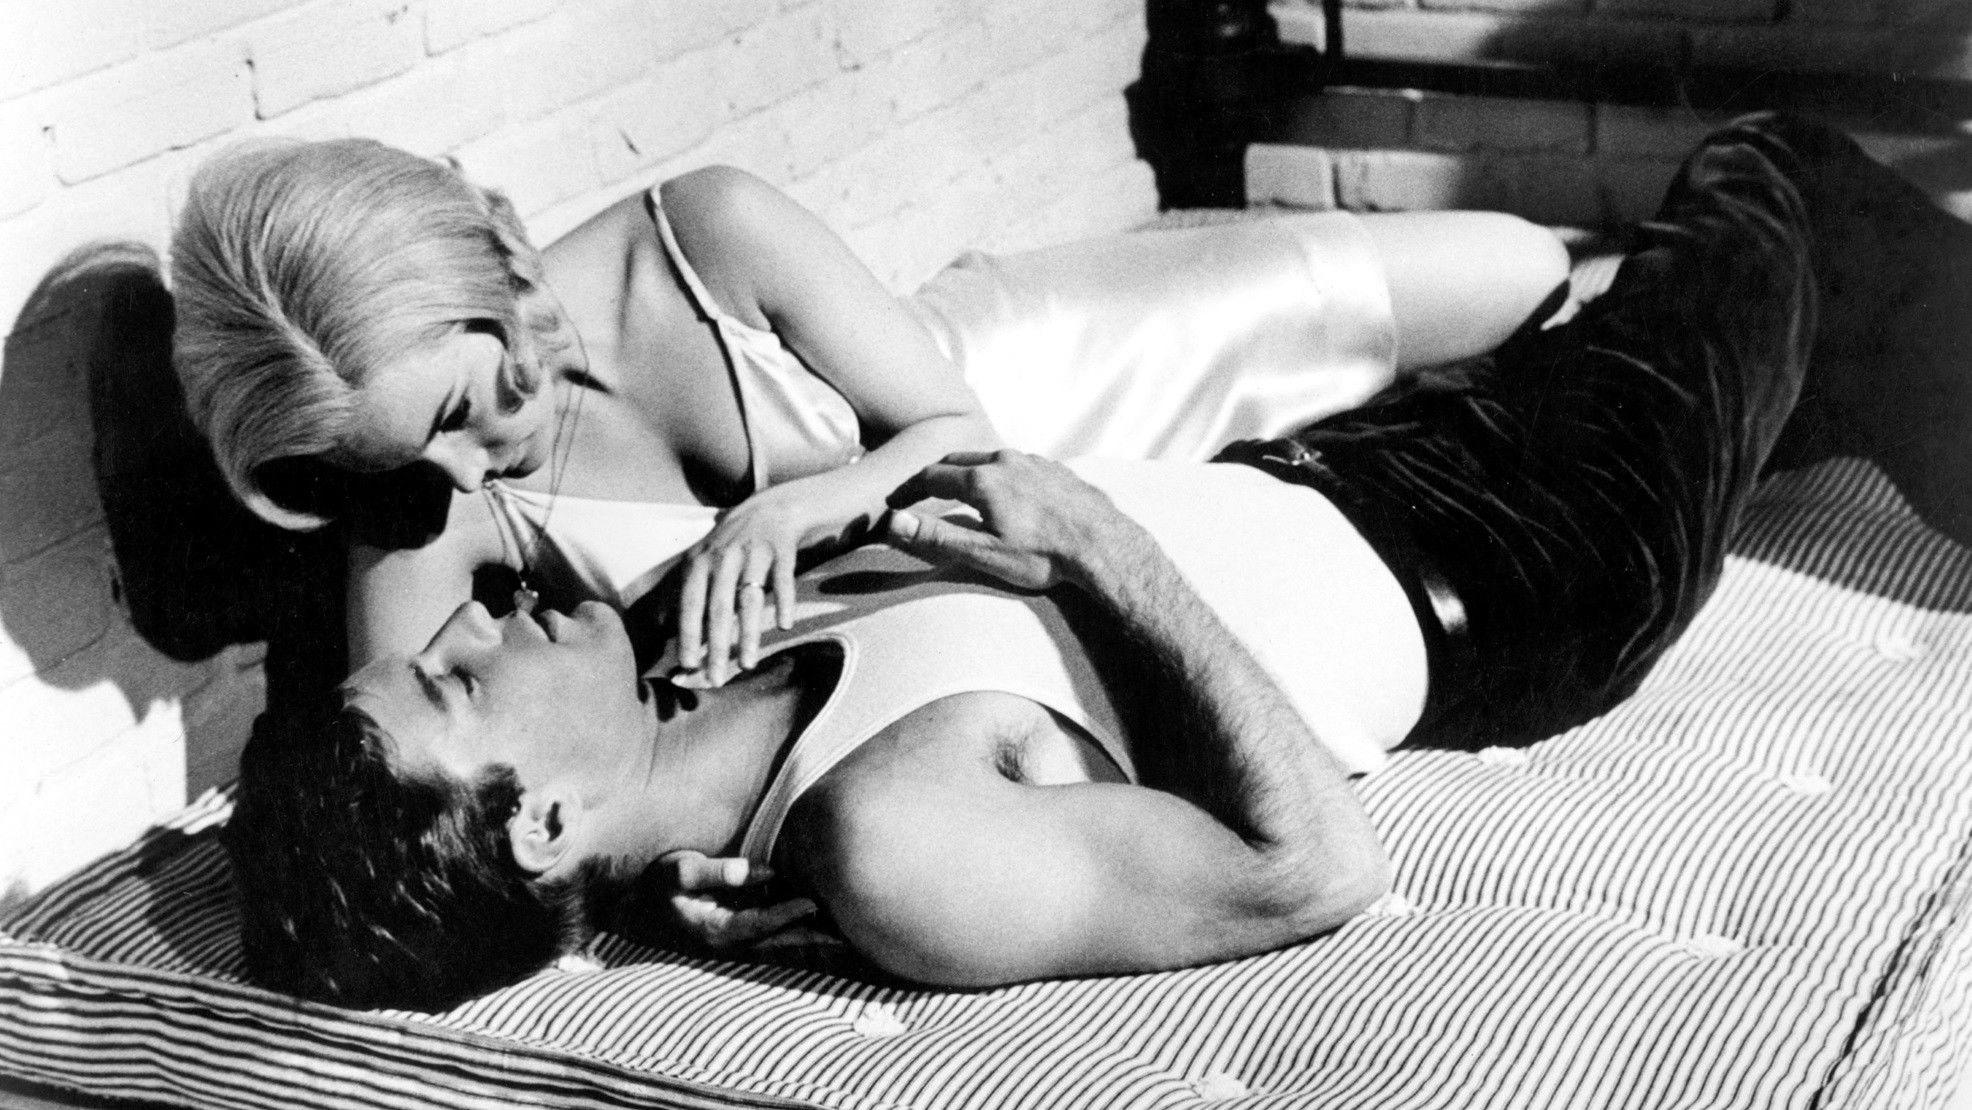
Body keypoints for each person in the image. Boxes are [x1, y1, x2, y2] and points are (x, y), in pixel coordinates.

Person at [224, 113, 1972, 1010]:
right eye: (457, 675)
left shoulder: (688, 652)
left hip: (1339, 468)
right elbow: (1315, 870)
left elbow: (478, 830)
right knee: (1773, 182)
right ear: (539, 819)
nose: (478, 613)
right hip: (1524, 565)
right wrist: (1092, 538)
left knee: (1745, 331)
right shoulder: (883, 844)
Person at [167, 138, 1568, 681]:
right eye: (414, 455)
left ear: (486, 277)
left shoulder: (700, 232)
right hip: (1023, 560)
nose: (473, 469)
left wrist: (798, 507)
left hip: (1022, 385)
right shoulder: (423, 506)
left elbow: (964, 432)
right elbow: (406, 754)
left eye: (464, 407)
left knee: (1523, 272)